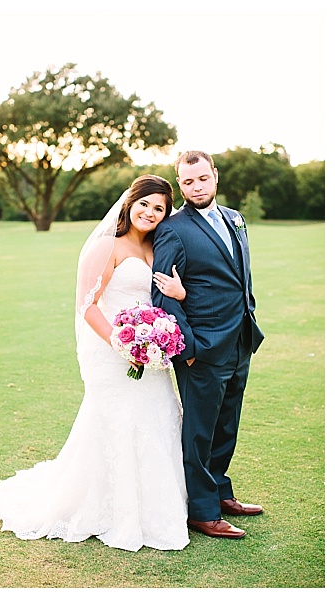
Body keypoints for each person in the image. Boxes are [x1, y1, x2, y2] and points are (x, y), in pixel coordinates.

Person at [0, 175, 190, 552]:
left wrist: (163, 324)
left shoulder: (159, 247)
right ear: (130, 202)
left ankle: (156, 509)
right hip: (110, 348)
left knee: (157, 416)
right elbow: (87, 305)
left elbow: (164, 299)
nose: (150, 212)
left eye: (159, 208)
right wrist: (120, 340)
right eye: (145, 203)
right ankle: (108, 509)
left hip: (150, 353)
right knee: (117, 419)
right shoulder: (107, 245)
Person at [151, 151, 264, 539]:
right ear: (180, 183)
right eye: (187, 182)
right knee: (199, 431)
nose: (195, 187)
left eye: (202, 178)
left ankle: (218, 493)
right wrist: (189, 347)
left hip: (240, 339)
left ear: (214, 176)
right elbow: (162, 295)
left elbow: (238, 276)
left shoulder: (235, 218)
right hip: (201, 349)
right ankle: (201, 510)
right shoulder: (173, 229)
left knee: (226, 424)